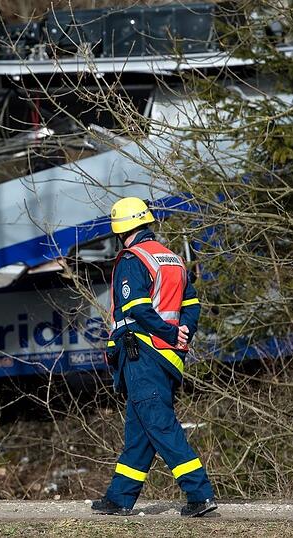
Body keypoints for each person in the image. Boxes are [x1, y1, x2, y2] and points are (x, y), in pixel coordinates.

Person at [90, 196, 217, 517]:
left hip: (142, 354)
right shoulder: (171, 259)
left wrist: (169, 332)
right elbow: (192, 305)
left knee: (159, 426)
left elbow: (137, 309)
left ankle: (199, 493)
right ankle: (119, 498)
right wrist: (181, 332)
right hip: (168, 357)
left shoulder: (133, 259)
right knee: (139, 431)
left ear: (120, 230)